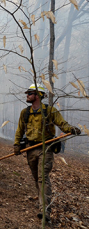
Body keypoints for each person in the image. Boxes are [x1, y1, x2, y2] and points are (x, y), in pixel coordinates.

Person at [13, 83, 81, 222]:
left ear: (38, 95)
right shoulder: (25, 113)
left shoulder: (50, 111)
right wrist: (16, 144)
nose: (27, 95)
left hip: (46, 149)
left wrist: (71, 129)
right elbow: (20, 130)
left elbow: (63, 124)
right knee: (37, 178)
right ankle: (42, 204)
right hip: (30, 149)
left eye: (30, 93)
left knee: (43, 178)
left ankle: (45, 211)